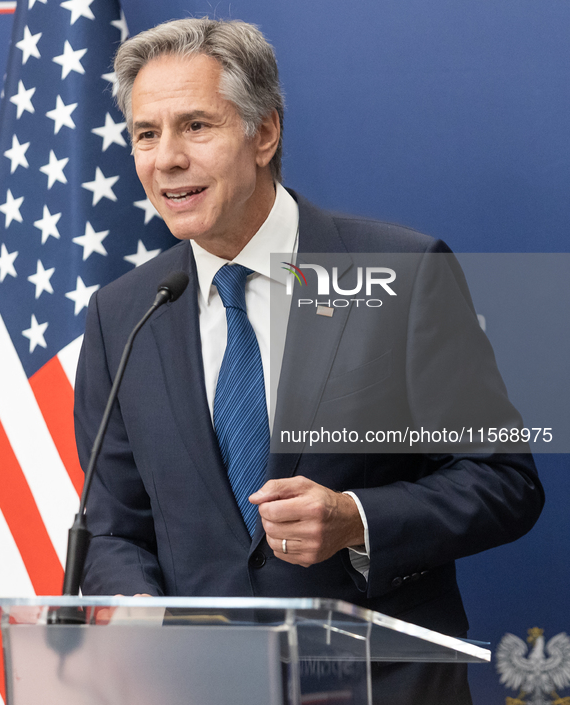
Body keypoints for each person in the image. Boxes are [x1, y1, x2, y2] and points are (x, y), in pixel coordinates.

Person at [74, 18, 544, 704]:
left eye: (195, 126)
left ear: (263, 132)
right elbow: (113, 523)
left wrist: (355, 515)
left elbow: (504, 481)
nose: (164, 158)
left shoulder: (402, 272)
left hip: (380, 684)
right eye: (146, 134)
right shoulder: (122, 314)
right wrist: (143, 615)